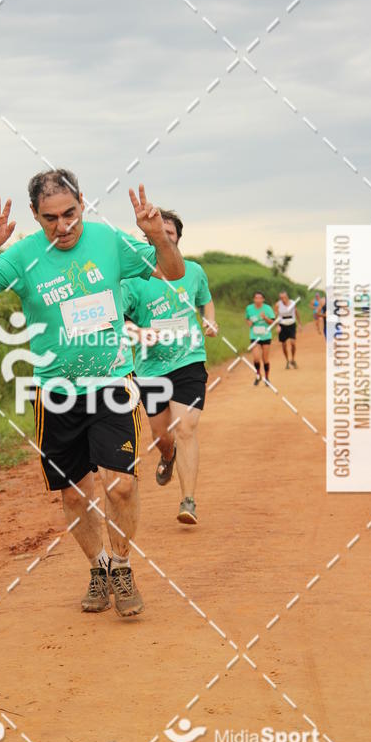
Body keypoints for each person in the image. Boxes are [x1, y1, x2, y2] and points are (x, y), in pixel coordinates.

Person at [0, 169, 185, 618]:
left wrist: (159, 237)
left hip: (112, 383)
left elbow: (173, 272)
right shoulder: (22, 256)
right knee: (75, 495)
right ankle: (98, 568)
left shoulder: (109, 240)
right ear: (34, 216)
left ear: (83, 202)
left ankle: (121, 566)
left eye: (70, 214)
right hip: (56, 393)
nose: (63, 227)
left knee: (118, 487)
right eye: (50, 218)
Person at [121, 209, 217, 525]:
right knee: (162, 434)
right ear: (148, 240)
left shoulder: (193, 271)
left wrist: (211, 320)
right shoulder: (133, 281)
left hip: (189, 360)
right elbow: (119, 321)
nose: (164, 238)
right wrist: (140, 332)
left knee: (186, 427)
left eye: (170, 234)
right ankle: (167, 455)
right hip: (149, 368)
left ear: (176, 239)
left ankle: (188, 500)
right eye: (157, 235)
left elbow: (205, 299)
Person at [245, 291, 275, 386]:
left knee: (265, 359)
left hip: (266, 336)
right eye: (256, 298)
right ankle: (258, 375)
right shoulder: (249, 308)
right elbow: (247, 318)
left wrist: (265, 317)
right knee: (256, 358)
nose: (258, 300)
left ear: (263, 299)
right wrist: (248, 322)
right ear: (254, 299)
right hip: (254, 336)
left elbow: (272, 322)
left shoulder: (268, 308)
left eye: (260, 298)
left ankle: (267, 378)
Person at [274, 290, 302, 369]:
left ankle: (293, 359)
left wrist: (299, 323)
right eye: (281, 298)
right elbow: (275, 316)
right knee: (284, 344)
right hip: (282, 325)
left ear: (287, 297)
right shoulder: (277, 305)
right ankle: (287, 361)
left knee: (293, 343)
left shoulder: (293, 303)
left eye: (284, 297)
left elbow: (296, 312)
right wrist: (277, 326)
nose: (283, 299)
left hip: (291, 324)